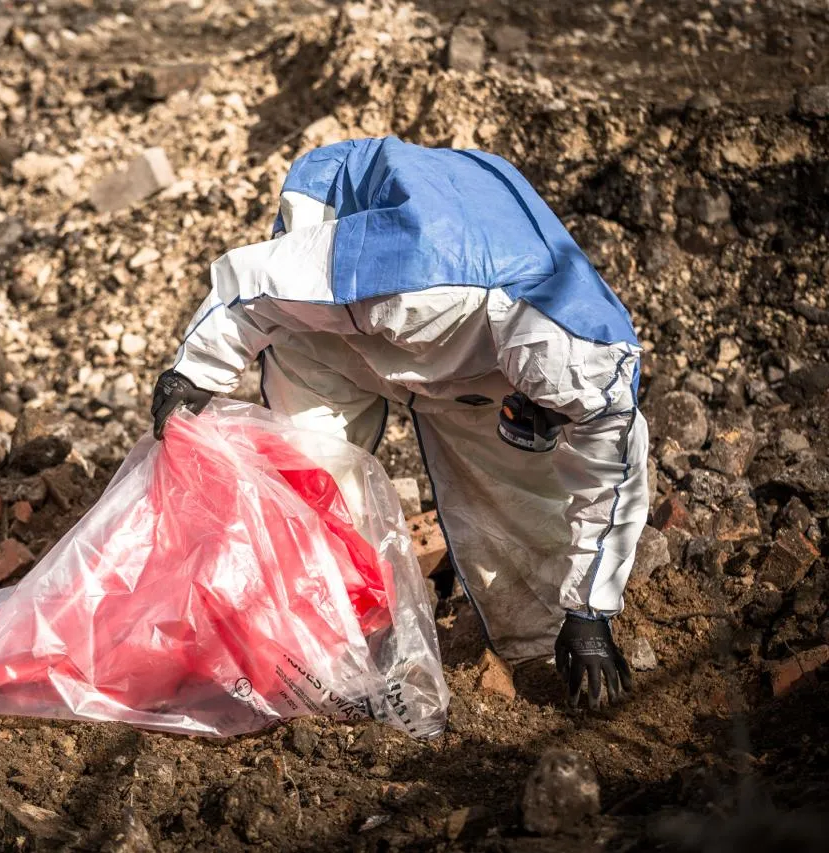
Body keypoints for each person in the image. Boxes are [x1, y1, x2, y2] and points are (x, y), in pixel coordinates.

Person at [150, 137, 646, 709]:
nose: (553, 416)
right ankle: (309, 659)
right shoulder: (403, 275)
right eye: (552, 405)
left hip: (474, 351)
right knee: (314, 483)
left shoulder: (587, 359)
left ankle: (535, 650)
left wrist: (589, 613)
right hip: (332, 329)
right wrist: (196, 369)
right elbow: (257, 282)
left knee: (522, 491)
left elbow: (611, 479)